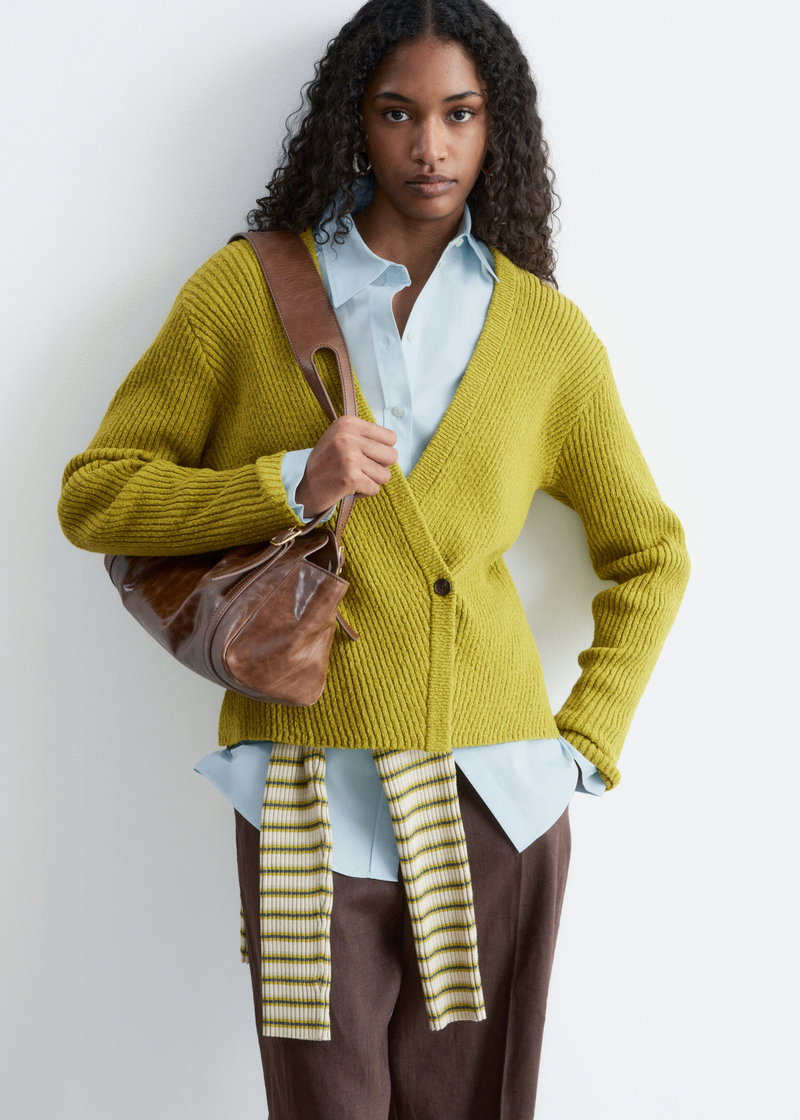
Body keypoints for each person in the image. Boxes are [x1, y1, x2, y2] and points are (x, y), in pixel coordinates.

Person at [57, 0, 691, 1115]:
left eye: (459, 114)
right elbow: (96, 495)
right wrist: (285, 481)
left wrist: (582, 744)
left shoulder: (543, 332)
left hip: (493, 791)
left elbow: (652, 552)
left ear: (496, 129)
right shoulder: (249, 292)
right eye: (398, 113)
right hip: (306, 786)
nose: (429, 146)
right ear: (355, 121)